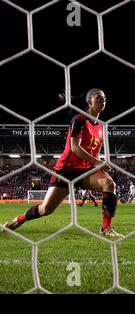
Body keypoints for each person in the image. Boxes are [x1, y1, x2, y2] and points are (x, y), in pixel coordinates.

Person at [2, 89, 124, 238]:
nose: (102, 101)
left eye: (104, 99)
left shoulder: (101, 127)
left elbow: (95, 152)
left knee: (108, 183)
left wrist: (94, 170)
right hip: (67, 171)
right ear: (89, 102)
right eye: (98, 98)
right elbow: (75, 147)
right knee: (45, 209)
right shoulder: (79, 120)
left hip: (86, 171)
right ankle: (18, 220)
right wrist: (98, 162)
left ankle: (106, 229)